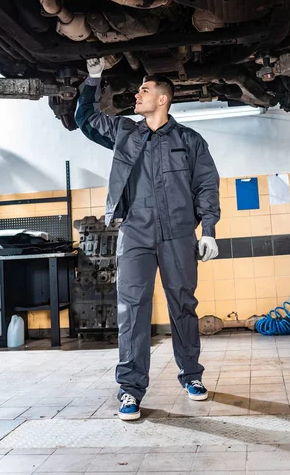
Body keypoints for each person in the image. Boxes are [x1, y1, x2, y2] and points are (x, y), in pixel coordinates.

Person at [75, 58, 220, 421]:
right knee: (132, 310)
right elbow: (86, 120)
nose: (137, 94)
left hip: (178, 234)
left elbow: (206, 186)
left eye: (145, 89)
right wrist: (94, 78)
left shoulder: (190, 141)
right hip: (135, 233)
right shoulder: (125, 132)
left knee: (183, 306)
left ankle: (191, 376)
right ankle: (130, 390)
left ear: (163, 100)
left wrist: (210, 230)